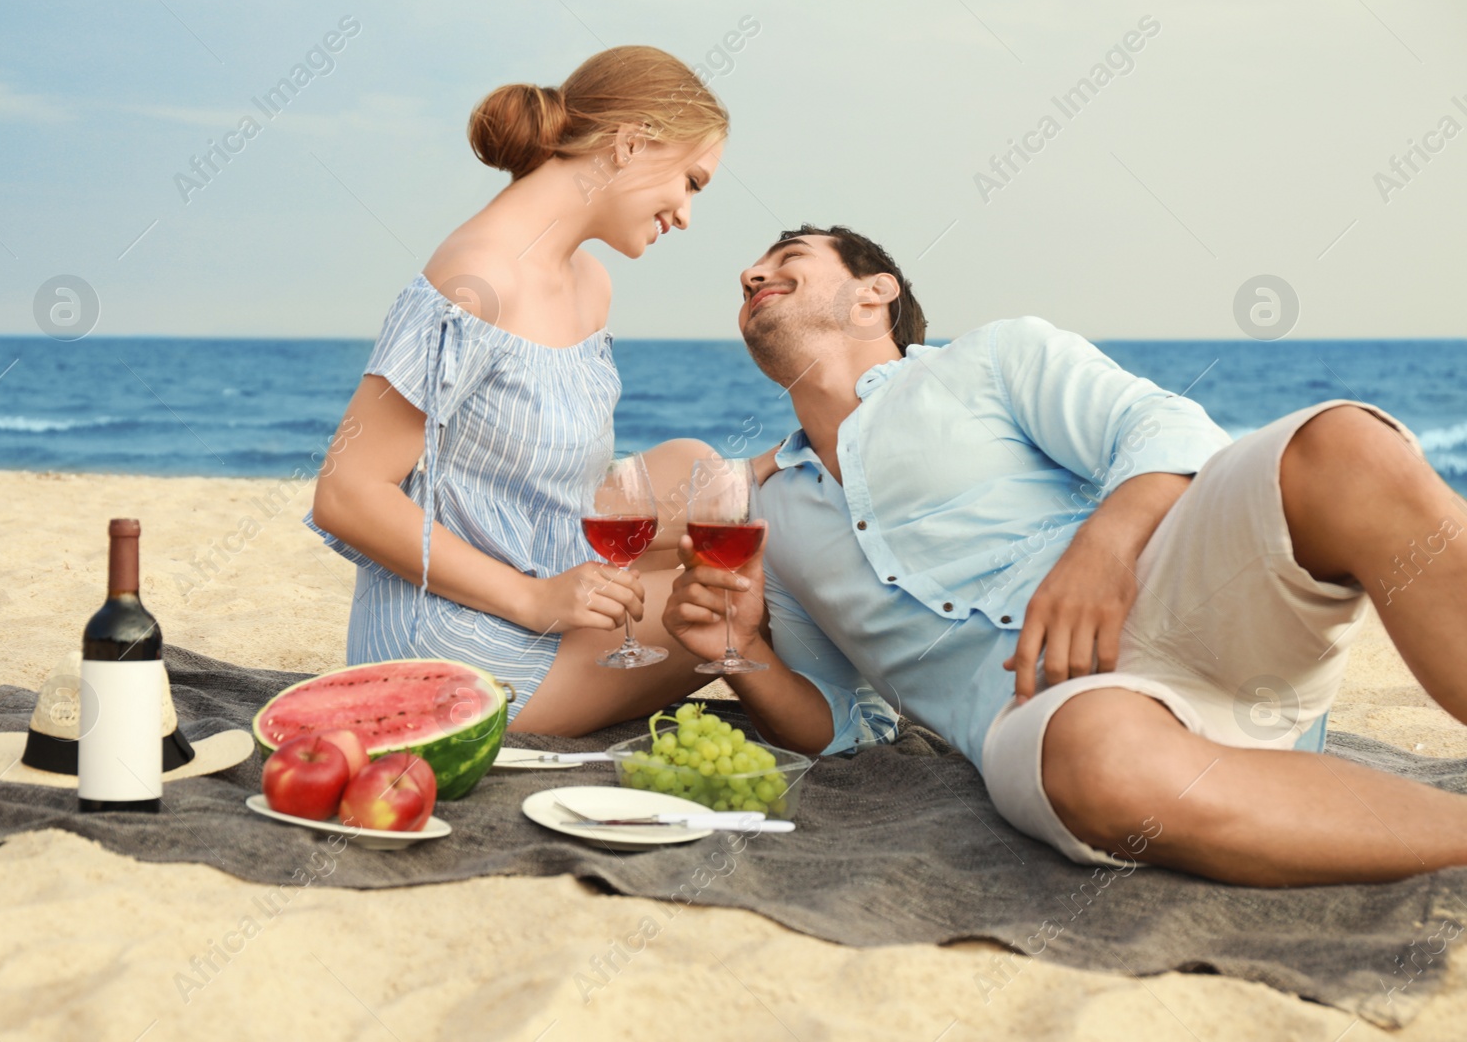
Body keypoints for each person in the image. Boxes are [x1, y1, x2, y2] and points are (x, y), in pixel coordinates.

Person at [662, 223, 1467, 887]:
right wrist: (740, 651)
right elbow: (843, 727)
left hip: (1180, 586)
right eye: (750, 276)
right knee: (1101, 767)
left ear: (876, 292)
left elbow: (1165, 430)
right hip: (1045, 714)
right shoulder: (770, 513)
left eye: (787, 258)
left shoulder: (992, 358)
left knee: (1348, 448)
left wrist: (1104, 548)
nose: (750, 272)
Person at [310, 46, 727, 734]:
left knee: (703, 478)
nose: (685, 213)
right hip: (457, 644)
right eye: (691, 181)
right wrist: (536, 600)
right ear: (630, 144)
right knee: (741, 602)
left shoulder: (590, 284)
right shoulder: (477, 281)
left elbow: (544, 489)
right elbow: (346, 494)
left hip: (546, 573)